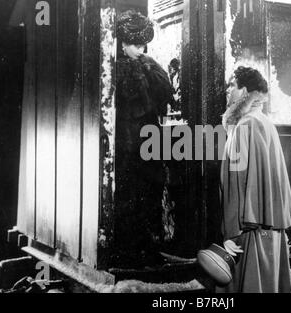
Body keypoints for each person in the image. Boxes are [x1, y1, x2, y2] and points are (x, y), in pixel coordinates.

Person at [218, 66, 291, 293]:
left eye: (232, 85)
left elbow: (236, 182)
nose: (227, 90)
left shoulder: (245, 126)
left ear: (244, 92)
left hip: (247, 229)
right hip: (267, 226)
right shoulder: (263, 122)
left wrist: (230, 231)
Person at [113, 10, 175, 268]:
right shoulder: (112, 69)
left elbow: (166, 96)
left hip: (148, 143)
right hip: (126, 145)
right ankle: (129, 251)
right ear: (123, 43)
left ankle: (150, 248)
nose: (139, 49)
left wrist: (147, 66)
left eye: (142, 44)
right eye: (134, 44)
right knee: (129, 196)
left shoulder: (149, 65)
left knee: (150, 195)